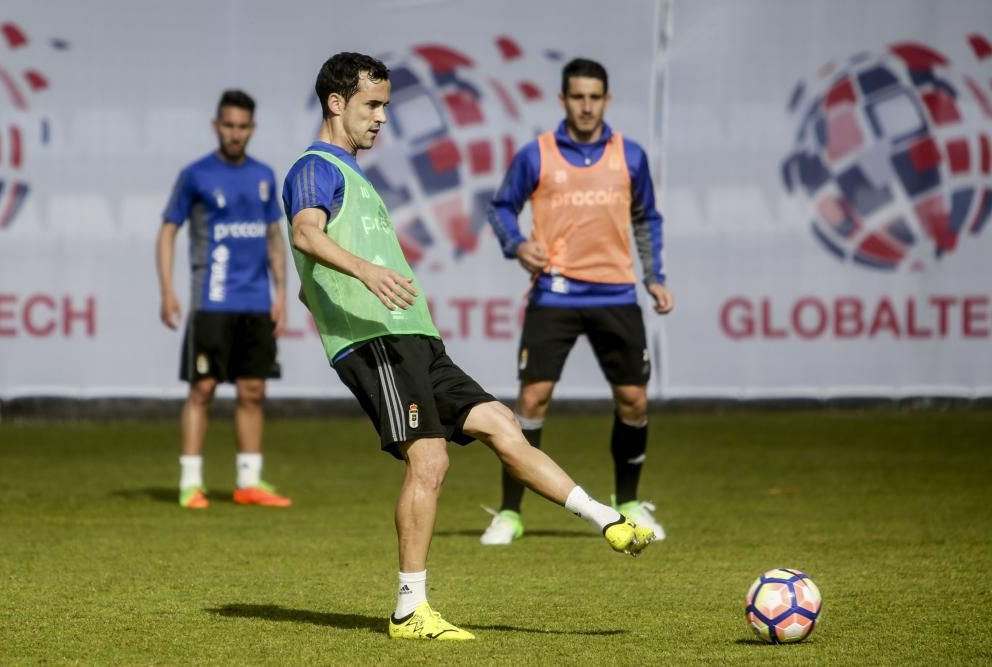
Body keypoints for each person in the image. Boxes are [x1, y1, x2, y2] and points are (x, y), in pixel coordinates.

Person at [282, 52, 655, 642]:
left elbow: (310, 283)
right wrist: (360, 276)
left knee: (504, 425)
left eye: (385, 106)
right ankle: (410, 610)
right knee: (430, 459)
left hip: (416, 339)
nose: (381, 119)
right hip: (377, 340)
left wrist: (328, 293)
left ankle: (607, 519)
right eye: (371, 106)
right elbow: (306, 233)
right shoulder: (313, 167)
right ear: (336, 103)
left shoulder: (354, 175)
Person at [482, 58, 674, 546]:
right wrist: (518, 245)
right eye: (577, 97)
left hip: (616, 293)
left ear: (606, 100)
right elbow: (501, 207)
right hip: (555, 294)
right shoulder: (537, 155)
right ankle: (509, 512)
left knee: (633, 399)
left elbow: (646, 218)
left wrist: (654, 277)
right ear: (563, 99)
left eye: (595, 97)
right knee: (530, 400)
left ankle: (629, 502)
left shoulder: (630, 156)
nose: (586, 106)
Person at [157, 89, 292, 510]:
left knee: (253, 391)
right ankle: (190, 482)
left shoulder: (265, 175)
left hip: (255, 301)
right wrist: (168, 290)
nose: (235, 134)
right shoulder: (195, 175)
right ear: (217, 126)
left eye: (242, 127)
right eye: (228, 125)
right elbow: (168, 230)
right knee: (203, 389)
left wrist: (282, 294)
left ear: (252, 128)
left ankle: (248, 482)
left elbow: (275, 236)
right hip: (211, 301)